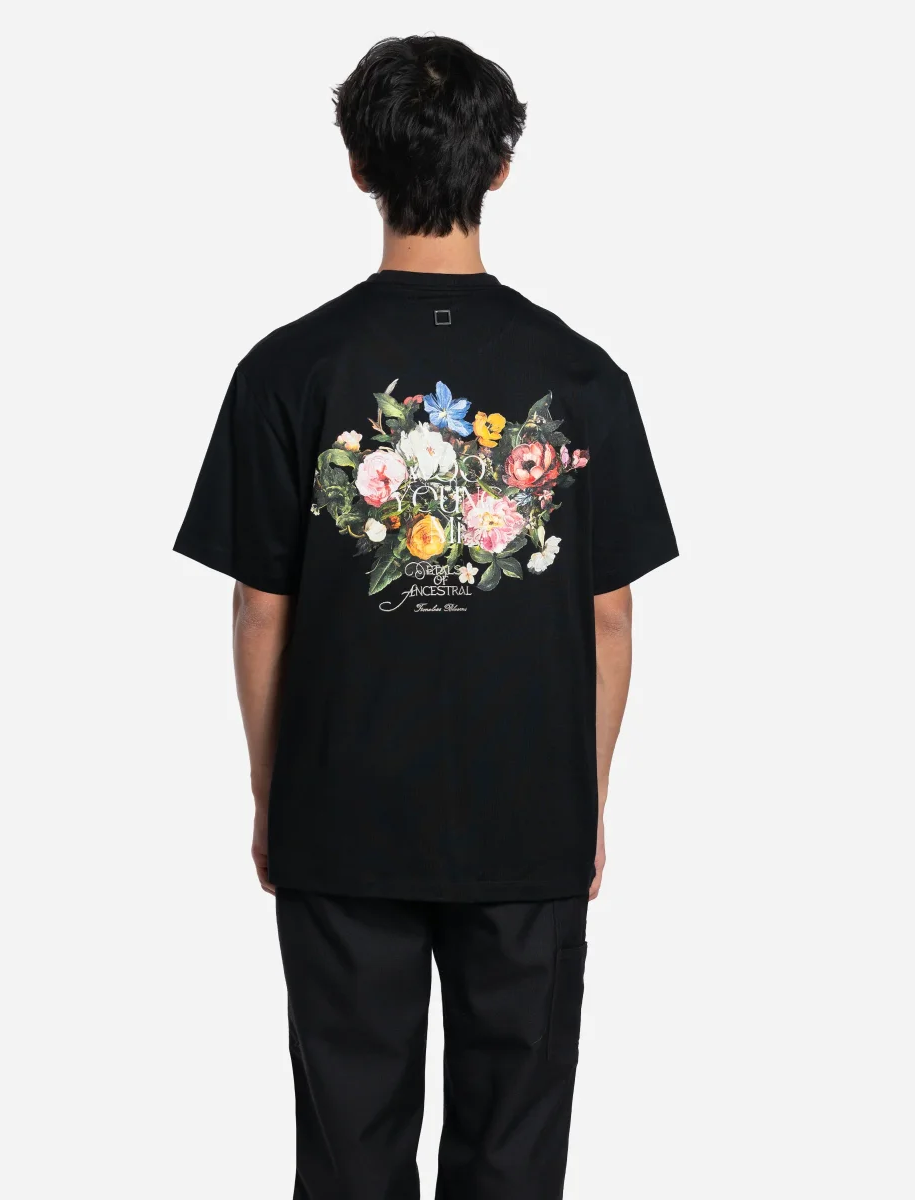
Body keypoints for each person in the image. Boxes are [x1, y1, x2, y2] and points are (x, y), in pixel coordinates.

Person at [174, 34, 677, 1200]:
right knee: (516, 1147)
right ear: (500, 165)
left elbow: (259, 611)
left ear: (358, 164)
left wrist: (272, 792)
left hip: (340, 809)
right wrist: (587, 800)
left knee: (349, 1151)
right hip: (529, 814)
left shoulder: (287, 370)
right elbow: (609, 618)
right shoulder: (582, 377)